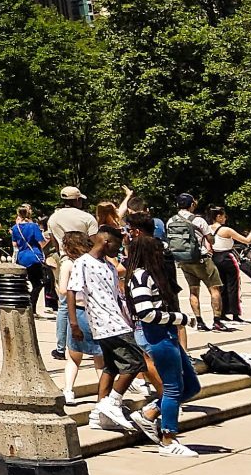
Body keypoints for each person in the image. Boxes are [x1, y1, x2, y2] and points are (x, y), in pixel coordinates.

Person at [125, 217, 199, 456]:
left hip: (165, 334)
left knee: (190, 386)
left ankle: (149, 414)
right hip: (157, 335)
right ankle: (168, 438)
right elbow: (146, 313)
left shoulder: (149, 275)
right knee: (173, 388)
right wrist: (180, 319)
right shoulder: (141, 277)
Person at [73, 225, 147, 434]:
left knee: (111, 366)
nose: (119, 250)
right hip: (105, 323)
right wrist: (74, 323)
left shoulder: (109, 266)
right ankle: (112, 402)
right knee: (136, 362)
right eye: (116, 245)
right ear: (106, 241)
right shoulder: (83, 263)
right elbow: (71, 292)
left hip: (117, 319)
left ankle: (99, 413)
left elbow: (116, 295)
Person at [53, 231, 102, 403]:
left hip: (78, 312)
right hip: (95, 312)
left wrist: (57, 283)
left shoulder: (68, 264)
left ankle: (68, 390)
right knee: (99, 358)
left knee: (73, 357)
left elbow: (63, 291)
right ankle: (103, 394)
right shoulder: (93, 261)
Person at [165, 195, 220, 330]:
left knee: (193, 290)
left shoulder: (170, 220)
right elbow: (211, 239)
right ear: (192, 204)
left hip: (183, 260)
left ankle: (199, 321)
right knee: (214, 289)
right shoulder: (198, 220)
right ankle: (217, 320)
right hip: (201, 259)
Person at [210, 207, 249, 326]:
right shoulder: (226, 230)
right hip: (227, 256)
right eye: (224, 216)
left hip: (215, 257)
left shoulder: (208, 228)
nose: (225, 218)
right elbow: (247, 240)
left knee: (221, 286)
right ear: (219, 216)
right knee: (234, 286)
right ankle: (235, 314)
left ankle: (222, 313)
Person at [11, 205, 50, 316]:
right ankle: (31, 307)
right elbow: (42, 243)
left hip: (22, 257)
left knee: (23, 283)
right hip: (34, 256)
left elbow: (15, 244)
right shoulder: (33, 226)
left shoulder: (15, 228)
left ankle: (23, 305)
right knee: (38, 283)